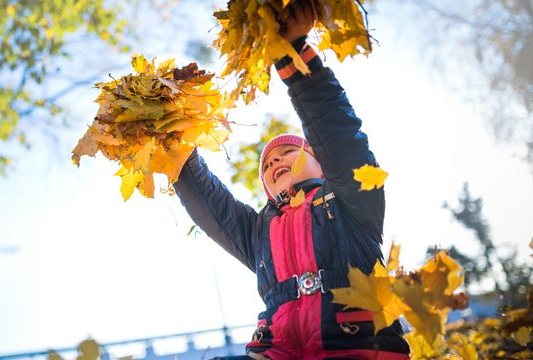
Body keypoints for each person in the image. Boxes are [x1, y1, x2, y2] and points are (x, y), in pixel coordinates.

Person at [174, 2, 410, 359]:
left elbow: (337, 133)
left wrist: (295, 55)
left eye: (288, 153)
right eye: (268, 163)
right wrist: (174, 153)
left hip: (357, 345)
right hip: (275, 350)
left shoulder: (350, 199)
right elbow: (212, 207)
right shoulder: (258, 233)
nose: (276, 161)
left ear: (323, 165)